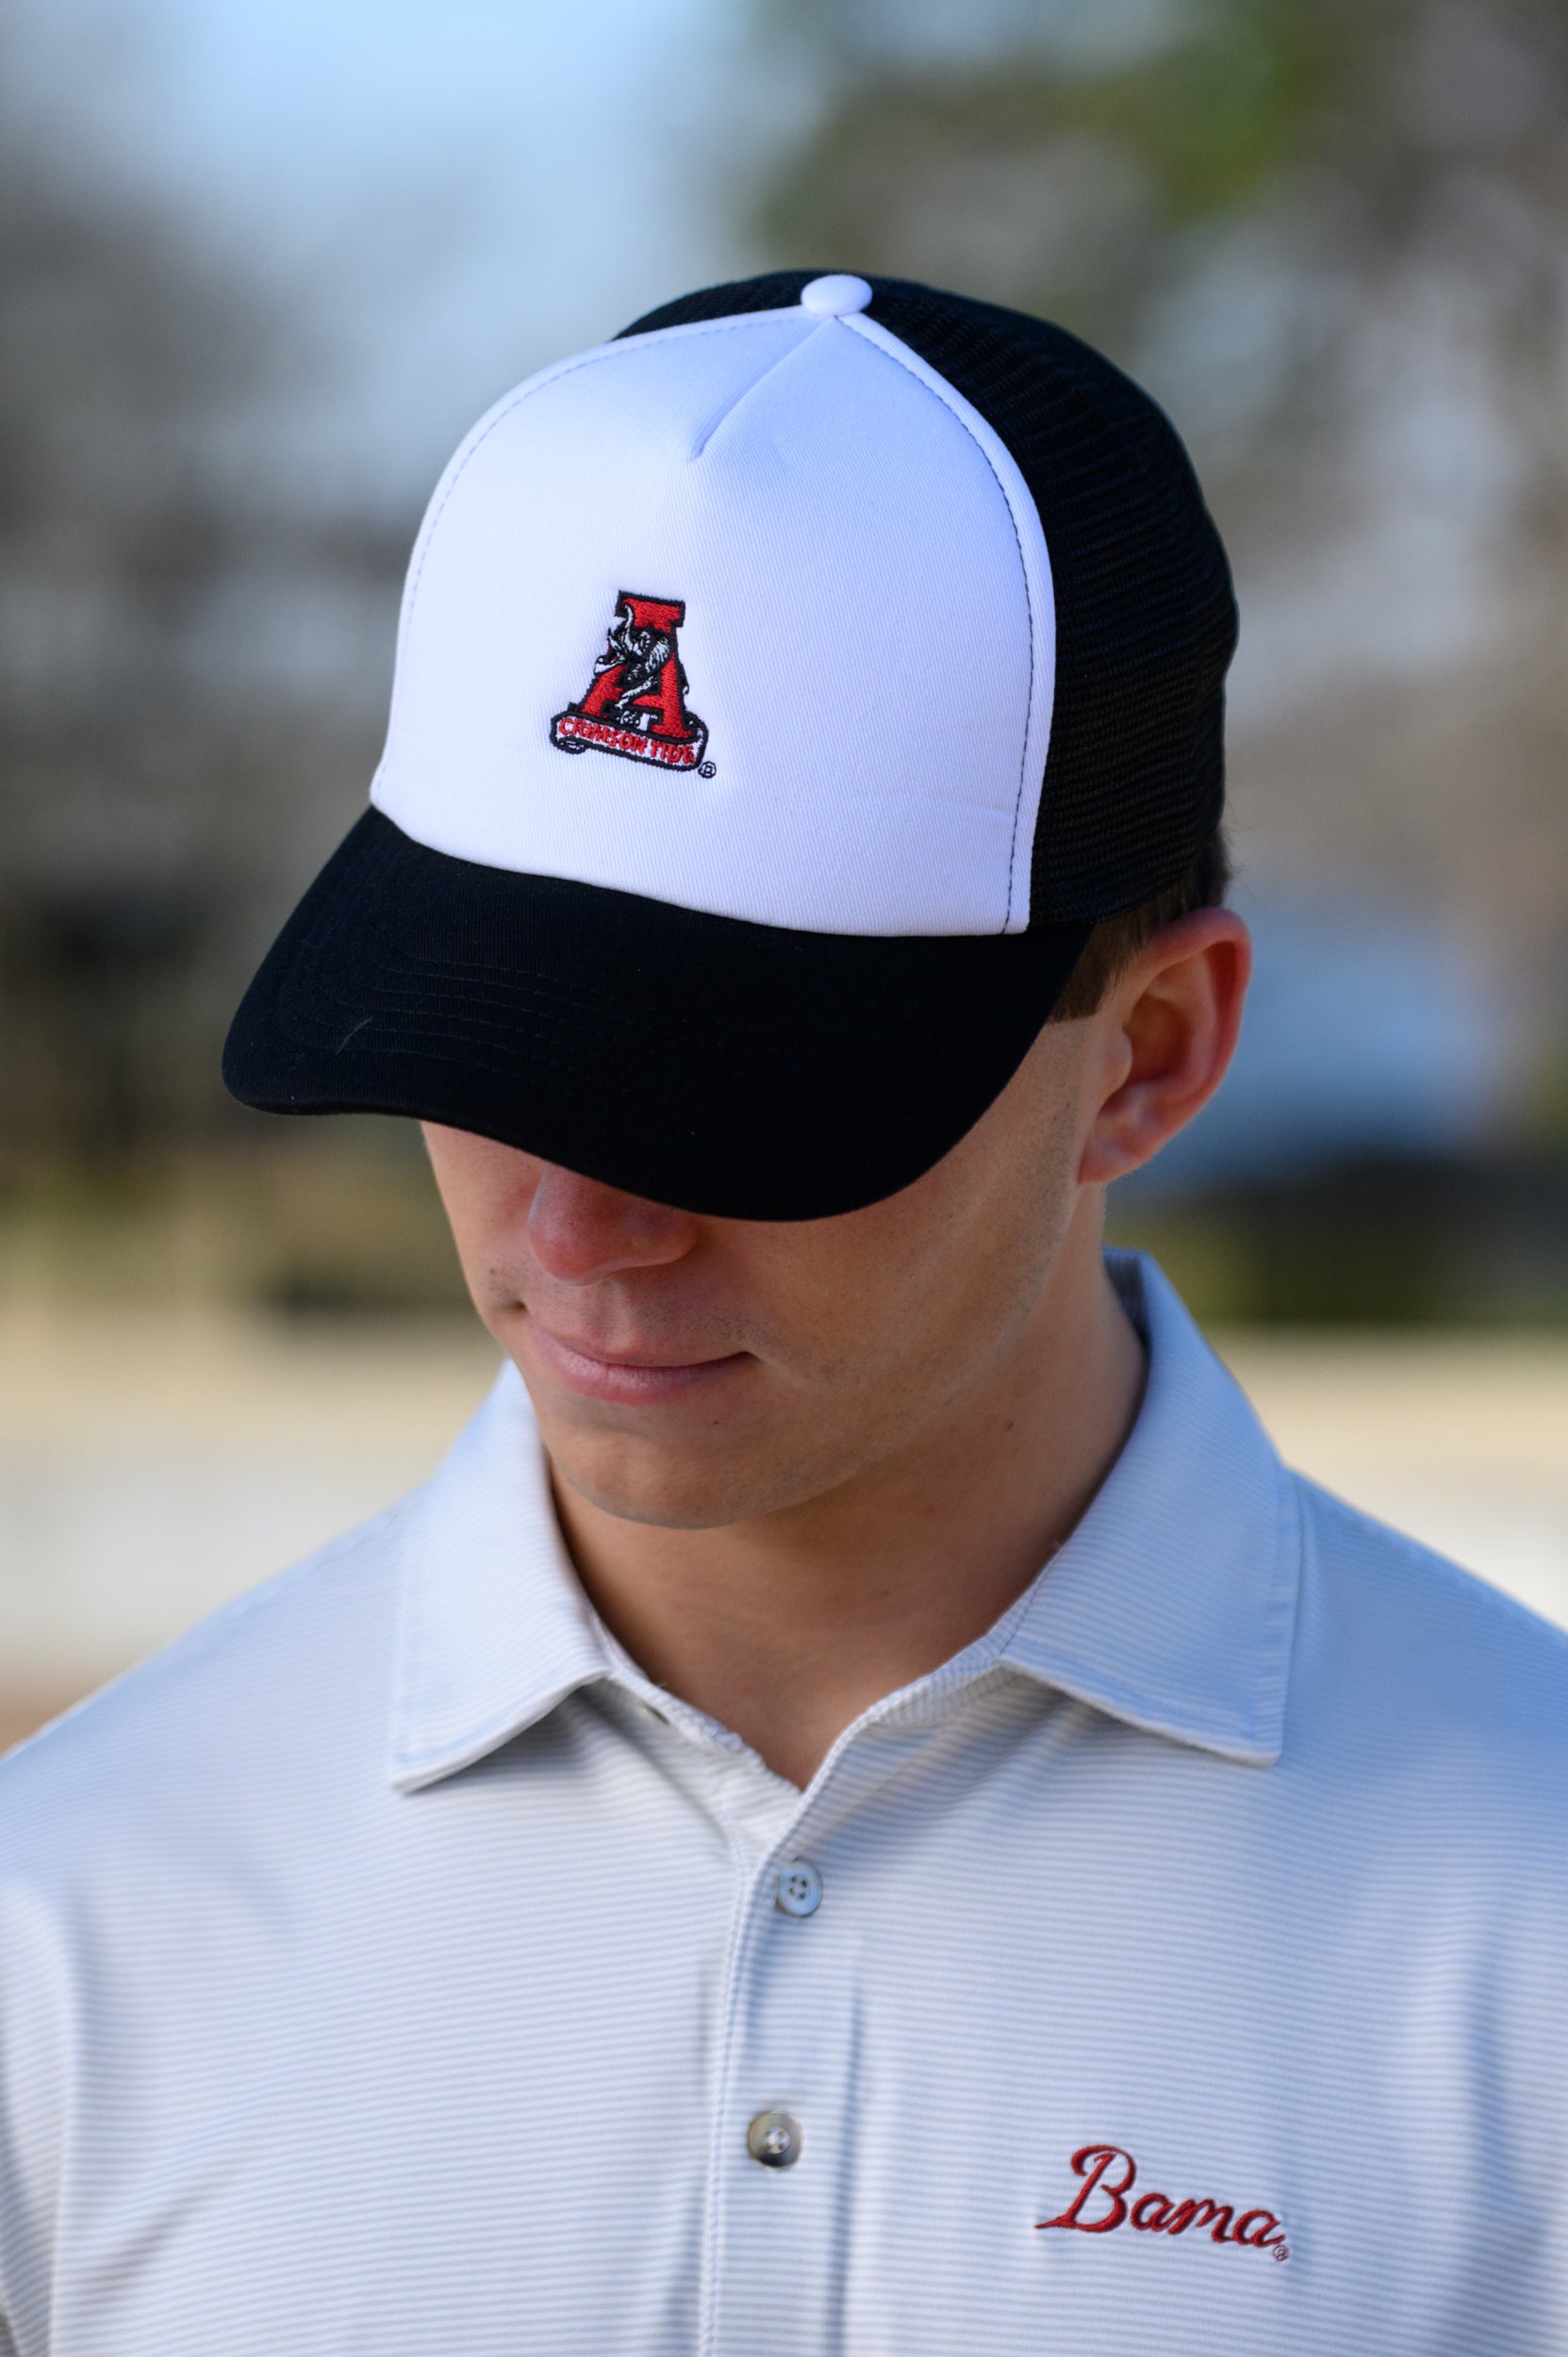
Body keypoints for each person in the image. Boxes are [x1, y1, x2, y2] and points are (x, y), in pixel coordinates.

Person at [2, 270, 1565, 2357]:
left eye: (737, 1098)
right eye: (487, 1042)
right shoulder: (67, 1924)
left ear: (1153, 1053)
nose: (579, 1226)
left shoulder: (1530, 1928)